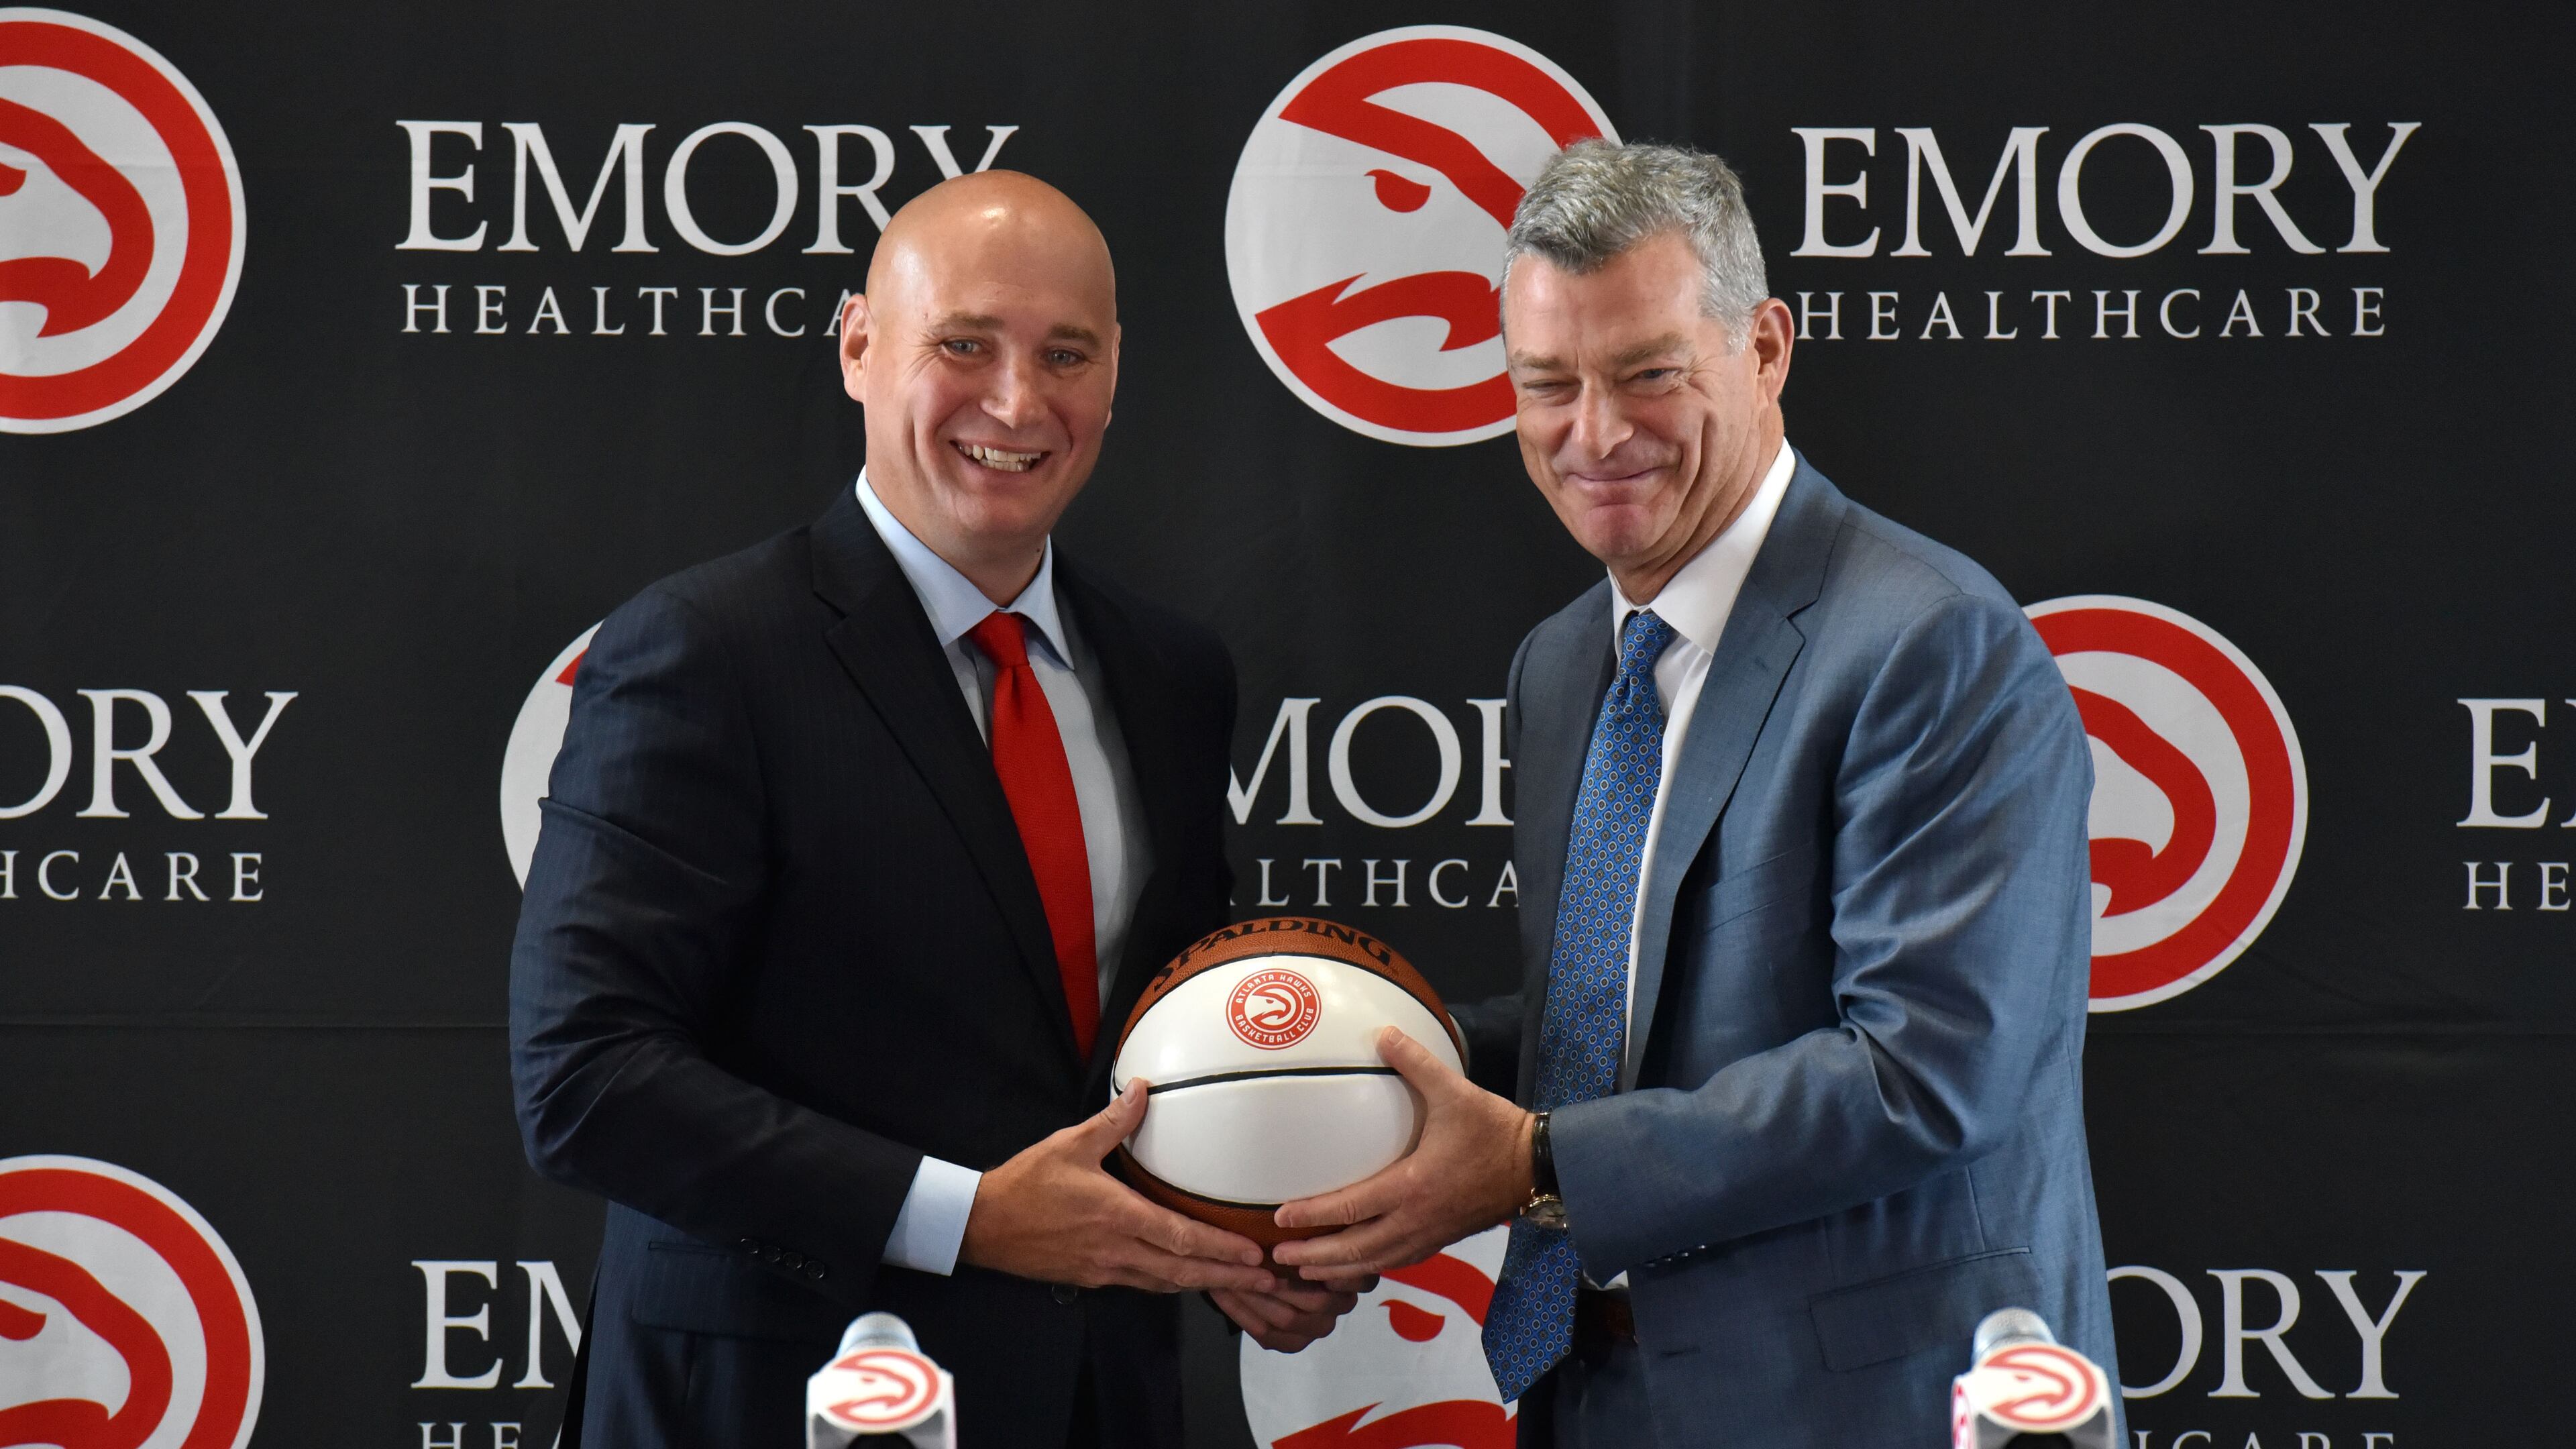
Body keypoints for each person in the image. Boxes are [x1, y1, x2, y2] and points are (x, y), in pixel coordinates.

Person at [1269, 140, 2122, 1446]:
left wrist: (1530, 1165)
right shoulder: (1563, 663)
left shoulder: (1932, 645)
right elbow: (1607, 1030)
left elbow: (1928, 1073)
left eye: (1647, 375)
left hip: (1873, 1410)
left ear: (1766, 348)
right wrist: (1341, 1063)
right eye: (1545, 384)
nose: (1593, 434)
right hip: (1601, 1396)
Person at [509, 170, 1358, 1449]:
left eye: (1064, 354)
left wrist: (1241, 1241)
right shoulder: (704, 651)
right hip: (770, 1407)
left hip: (1094, 1408)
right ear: (860, 344)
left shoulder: (1175, 675)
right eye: (964, 344)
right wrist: (967, 1215)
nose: (1016, 402)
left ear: (1114, 374)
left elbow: (1161, 1058)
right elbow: (585, 1077)